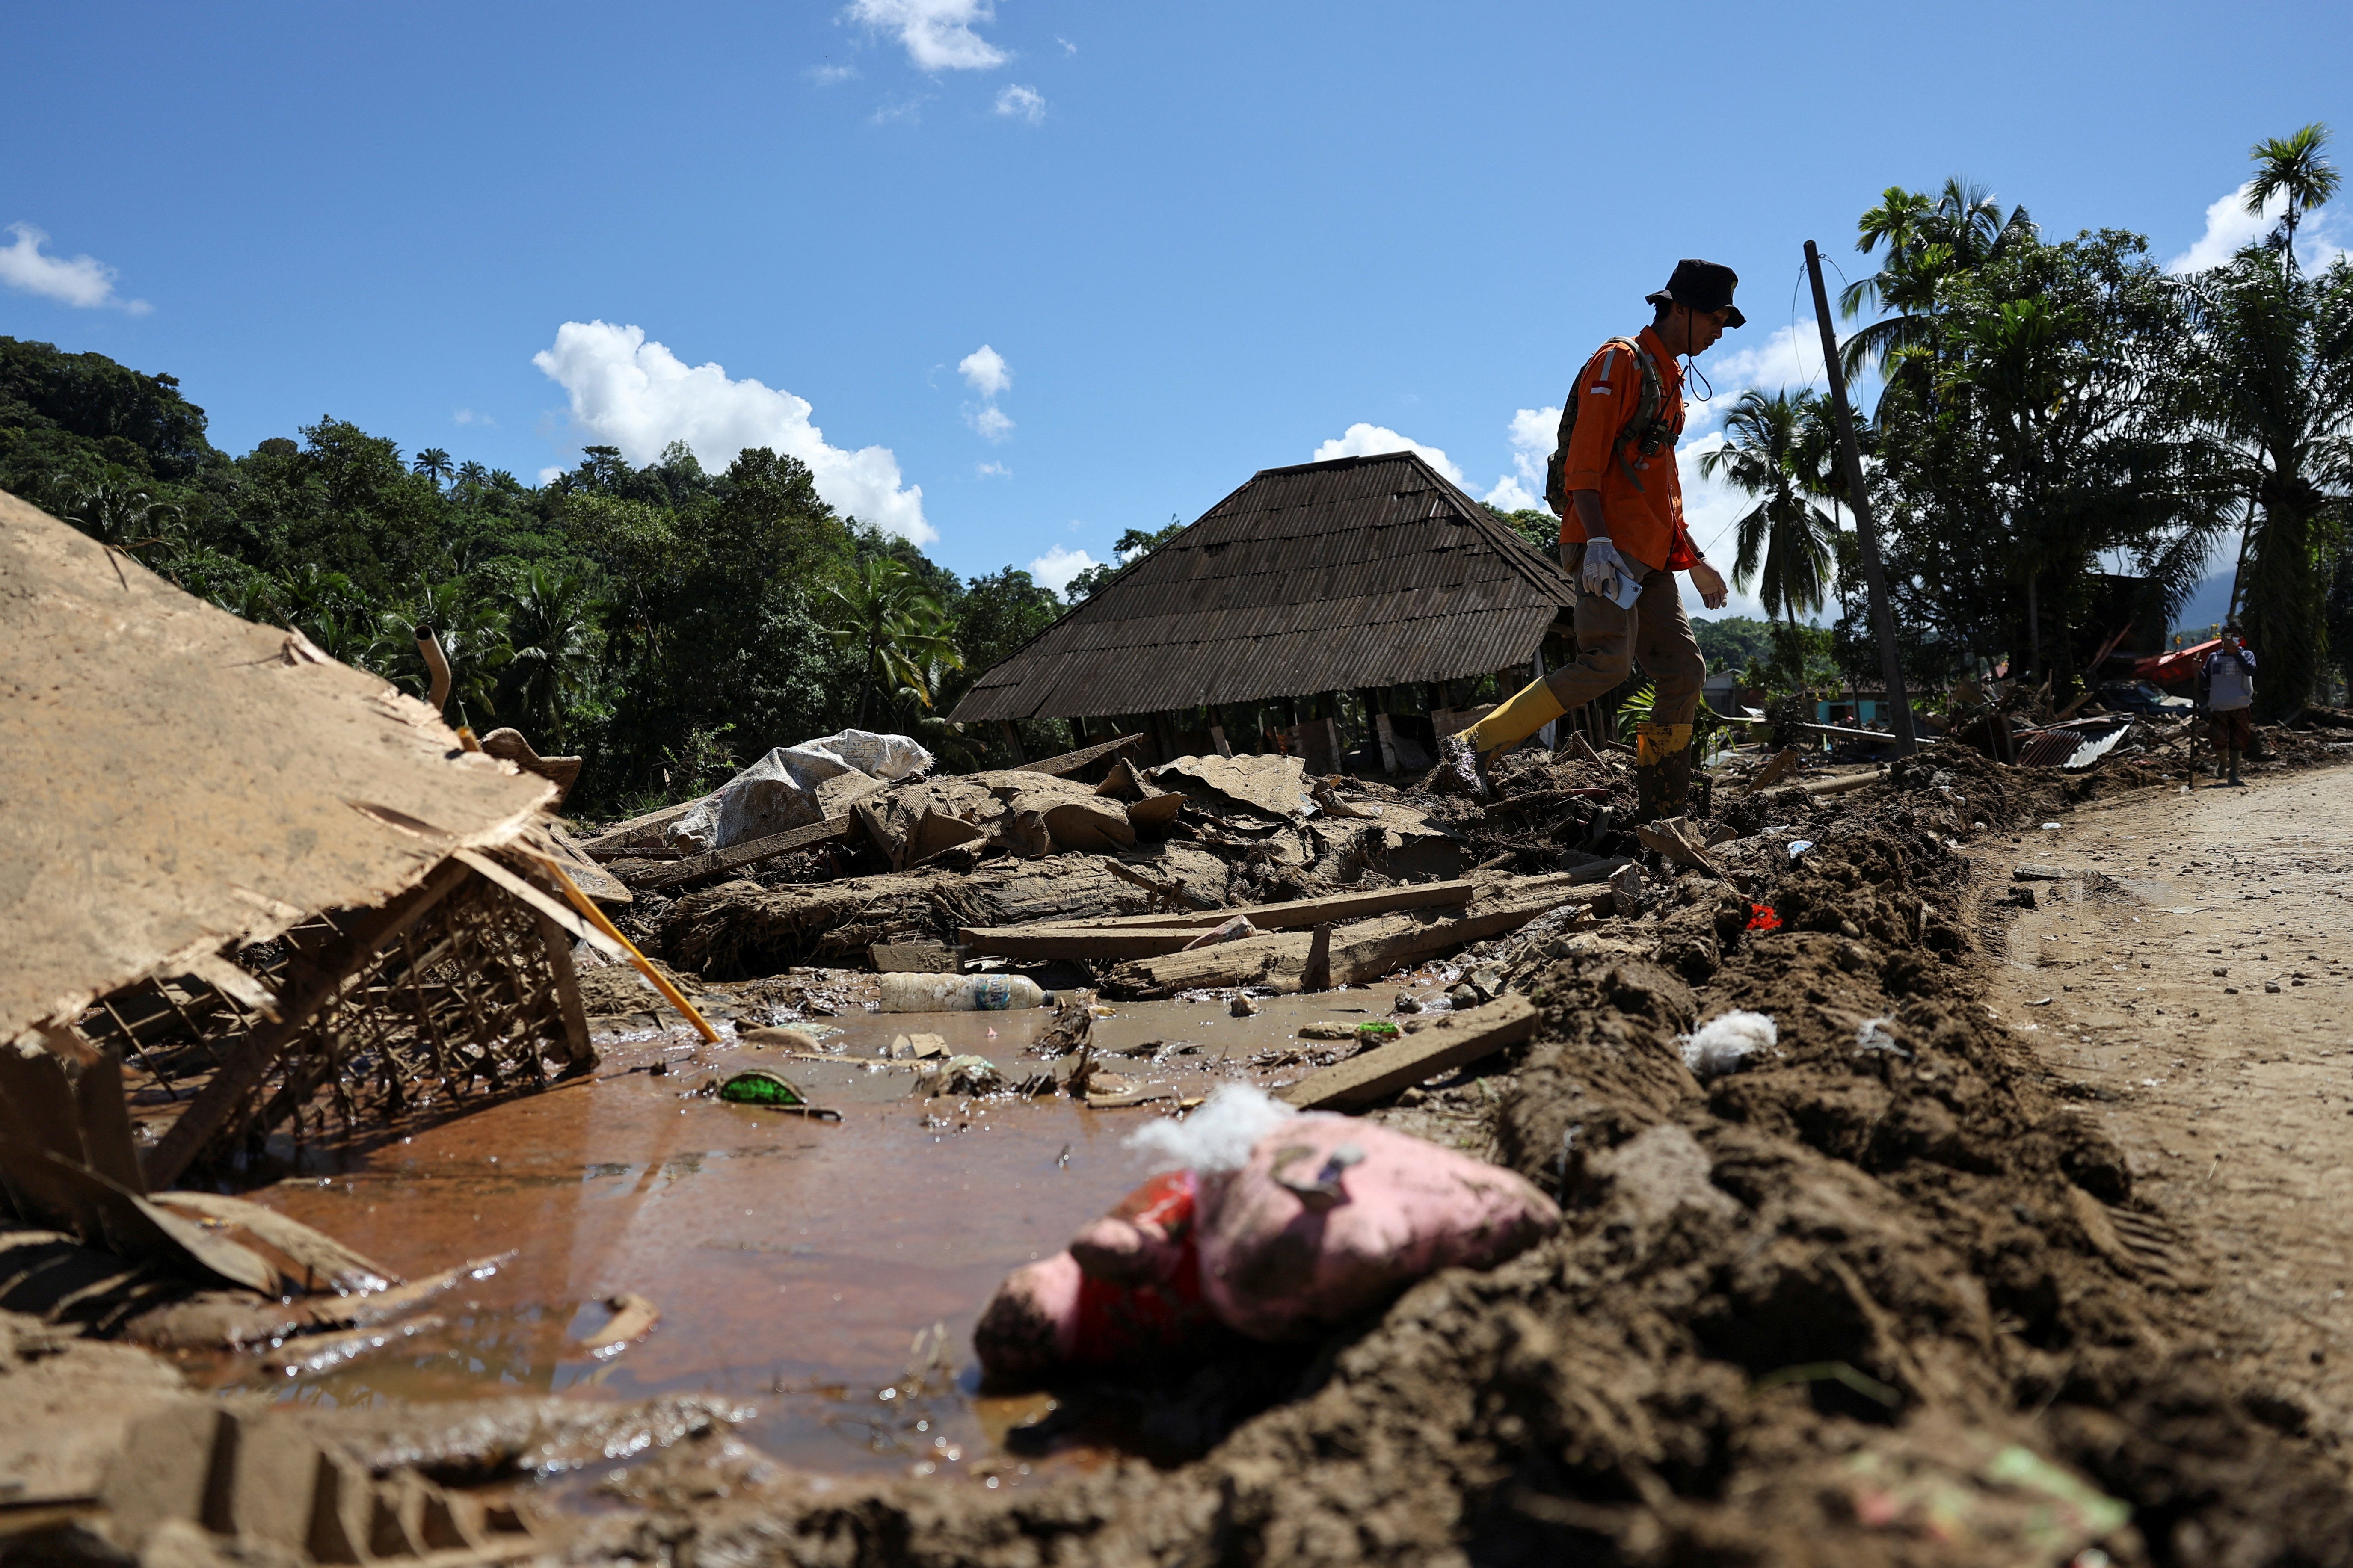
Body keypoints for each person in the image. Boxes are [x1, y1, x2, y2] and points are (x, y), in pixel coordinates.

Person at [1439, 259, 1737, 817]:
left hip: (1649, 555)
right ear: (1681, 308)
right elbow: (1584, 462)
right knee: (1606, 662)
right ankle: (1470, 747)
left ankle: (1662, 808)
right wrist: (1596, 541)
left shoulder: (1669, 378)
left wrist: (1694, 559)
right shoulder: (1620, 362)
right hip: (1610, 547)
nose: (1720, 332)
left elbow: (1665, 488)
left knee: (1684, 670)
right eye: (1717, 318)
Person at [2201, 621, 2258, 786]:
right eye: (2228, 636)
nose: (2232, 639)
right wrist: (2197, 671)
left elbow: (2251, 671)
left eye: (2235, 636)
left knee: (2238, 741)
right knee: (2217, 738)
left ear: (2241, 639)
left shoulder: (2247, 655)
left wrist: (2237, 654)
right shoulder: (2214, 658)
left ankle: (2234, 774)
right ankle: (2223, 761)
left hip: (2241, 704)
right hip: (2219, 705)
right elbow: (2205, 681)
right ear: (2222, 639)